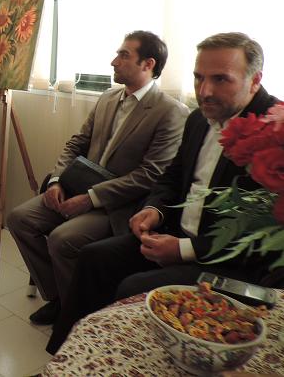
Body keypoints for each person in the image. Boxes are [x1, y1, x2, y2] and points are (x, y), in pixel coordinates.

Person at [47, 32, 279, 353]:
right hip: (174, 233)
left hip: (228, 265)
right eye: (198, 77)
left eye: (220, 79)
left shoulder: (274, 130)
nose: (204, 91)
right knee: (94, 258)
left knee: (132, 287)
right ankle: (68, 359)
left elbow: (261, 234)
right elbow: (172, 176)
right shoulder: (199, 118)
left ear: (255, 81)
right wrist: (154, 210)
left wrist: (183, 249)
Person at [8, 31, 188, 326]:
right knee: (19, 219)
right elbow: (76, 144)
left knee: (63, 240)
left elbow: (150, 175)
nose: (114, 61)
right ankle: (61, 299)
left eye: (124, 55)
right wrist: (56, 181)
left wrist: (91, 198)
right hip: (76, 187)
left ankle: (76, 313)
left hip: (116, 204)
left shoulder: (170, 112)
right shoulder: (107, 98)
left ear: (148, 64)